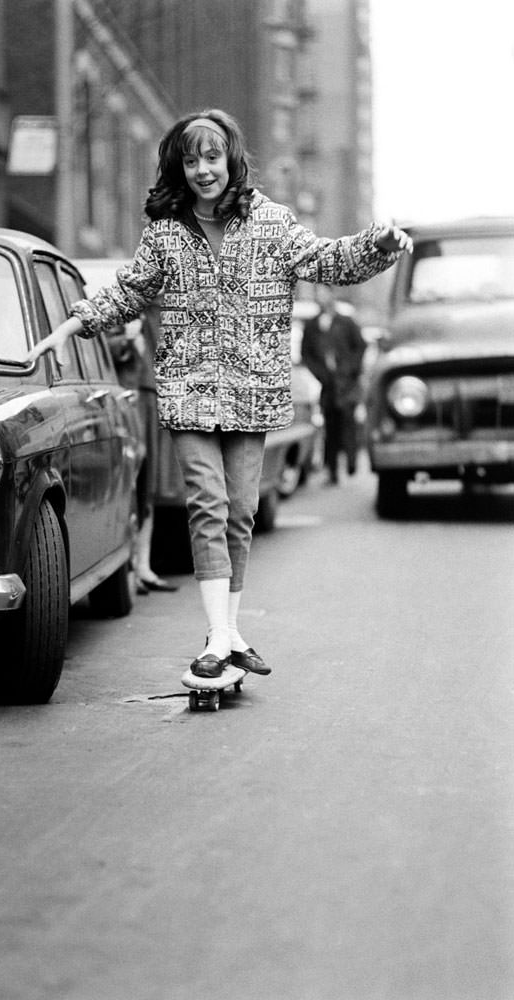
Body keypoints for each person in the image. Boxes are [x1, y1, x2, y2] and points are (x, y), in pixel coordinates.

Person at [27, 108, 412, 680]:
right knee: (207, 503)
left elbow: (330, 260)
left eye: (212, 157)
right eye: (190, 159)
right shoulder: (167, 231)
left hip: (252, 390)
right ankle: (215, 636)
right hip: (188, 387)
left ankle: (230, 633)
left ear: (232, 159)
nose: (202, 170)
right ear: (178, 167)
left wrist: (380, 244)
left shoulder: (273, 224)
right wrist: (70, 324)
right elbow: (128, 291)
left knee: (242, 511)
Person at [106, 300, 178, 594]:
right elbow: (104, 347)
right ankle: (130, 566)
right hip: (129, 399)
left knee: (148, 486)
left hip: (154, 399)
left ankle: (143, 566)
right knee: (132, 483)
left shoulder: (167, 305)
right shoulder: (127, 304)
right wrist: (128, 339)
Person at [301, 284, 366, 483]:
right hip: (328, 386)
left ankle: (352, 463)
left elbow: (360, 346)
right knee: (331, 429)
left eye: (322, 292)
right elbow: (307, 354)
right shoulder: (312, 325)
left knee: (348, 425)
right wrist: (321, 374)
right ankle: (332, 471)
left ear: (331, 294)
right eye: (316, 293)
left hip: (347, 384)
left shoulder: (346, 322)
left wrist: (351, 369)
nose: (319, 296)